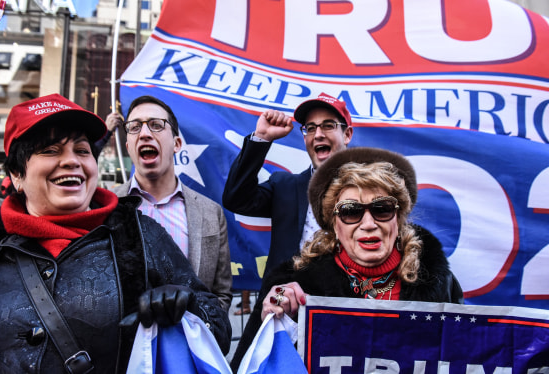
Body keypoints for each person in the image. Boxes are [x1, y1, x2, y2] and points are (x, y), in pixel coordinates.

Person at [0, 93, 231, 373]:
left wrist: (189, 310)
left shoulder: (139, 235)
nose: (71, 161)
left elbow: (218, 326)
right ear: (17, 173)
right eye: (50, 150)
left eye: (82, 150)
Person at [230, 147, 464, 371]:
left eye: (382, 209)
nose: (369, 224)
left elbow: (462, 356)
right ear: (334, 224)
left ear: (399, 218)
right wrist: (273, 316)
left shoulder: (439, 281)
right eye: (351, 211)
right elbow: (252, 365)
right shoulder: (296, 283)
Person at [110, 95, 233, 312]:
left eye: (157, 125)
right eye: (135, 127)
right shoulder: (105, 208)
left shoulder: (210, 213)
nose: (145, 134)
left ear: (176, 144)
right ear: (128, 146)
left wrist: (198, 332)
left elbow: (220, 295)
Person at [223, 92, 354, 278]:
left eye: (328, 126)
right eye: (310, 128)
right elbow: (236, 199)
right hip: (284, 303)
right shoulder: (285, 187)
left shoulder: (369, 190)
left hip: (343, 304)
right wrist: (262, 137)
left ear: (347, 134)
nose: (317, 134)